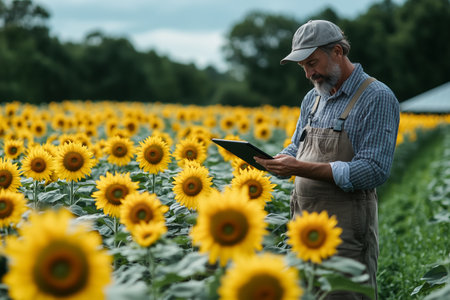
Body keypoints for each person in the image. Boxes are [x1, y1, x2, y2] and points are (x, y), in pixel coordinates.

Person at [254, 20, 400, 300]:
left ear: (337, 51)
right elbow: (297, 145)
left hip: (346, 235)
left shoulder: (376, 97)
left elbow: (374, 170)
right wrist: (282, 160)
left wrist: (299, 168)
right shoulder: (313, 99)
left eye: (313, 63)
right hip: (302, 229)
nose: (310, 74)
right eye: (304, 68)